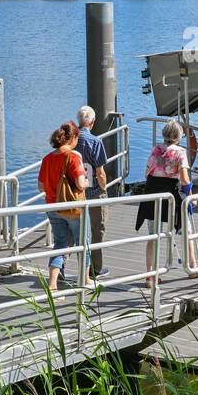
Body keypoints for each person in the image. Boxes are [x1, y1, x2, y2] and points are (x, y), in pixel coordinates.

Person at [134, 119, 198, 290]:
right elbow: (184, 179)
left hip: (153, 192)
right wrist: (191, 196)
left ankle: (150, 276)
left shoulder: (155, 149)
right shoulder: (180, 152)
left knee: (153, 236)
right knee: (187, 231)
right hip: (172, 193)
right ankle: (191, 267)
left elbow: (147, 172)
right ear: (179, 136)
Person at [38, 120, 91, 291]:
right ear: (73, 137)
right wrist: (88, 182)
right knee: (83, 242)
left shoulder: (47, 158)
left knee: (59, 244)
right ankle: (85, 278)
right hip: (73, 208)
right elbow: (80, 184)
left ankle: (52, 284)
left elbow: (41, 186)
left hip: (53, 207)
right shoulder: (74, 157)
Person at [75, 106, 109, 277]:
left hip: (74, 192)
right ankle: (96, 268)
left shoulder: (70, 140)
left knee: (71, 231)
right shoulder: (95, 142)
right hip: (94, 190)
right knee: (97, 229)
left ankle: (61, 269)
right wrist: (104, 188)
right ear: (93, 123)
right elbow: (100, 172)